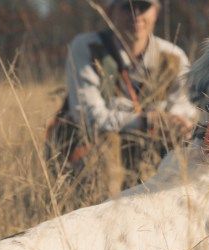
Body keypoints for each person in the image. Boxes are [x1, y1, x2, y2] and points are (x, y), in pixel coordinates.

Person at [46, 0, 197, 196]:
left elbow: (185, 107)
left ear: (156, 12)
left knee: (189, 152)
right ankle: (103, 208)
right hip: (99, 151)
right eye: (127, 6)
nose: (136, 15)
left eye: (143, 7)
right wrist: (146, 121)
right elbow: (88, 117)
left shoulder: (174, 56)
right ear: (110, 12)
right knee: (105, 147)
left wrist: (175, 122)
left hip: (152, 147)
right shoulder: (87, 47)